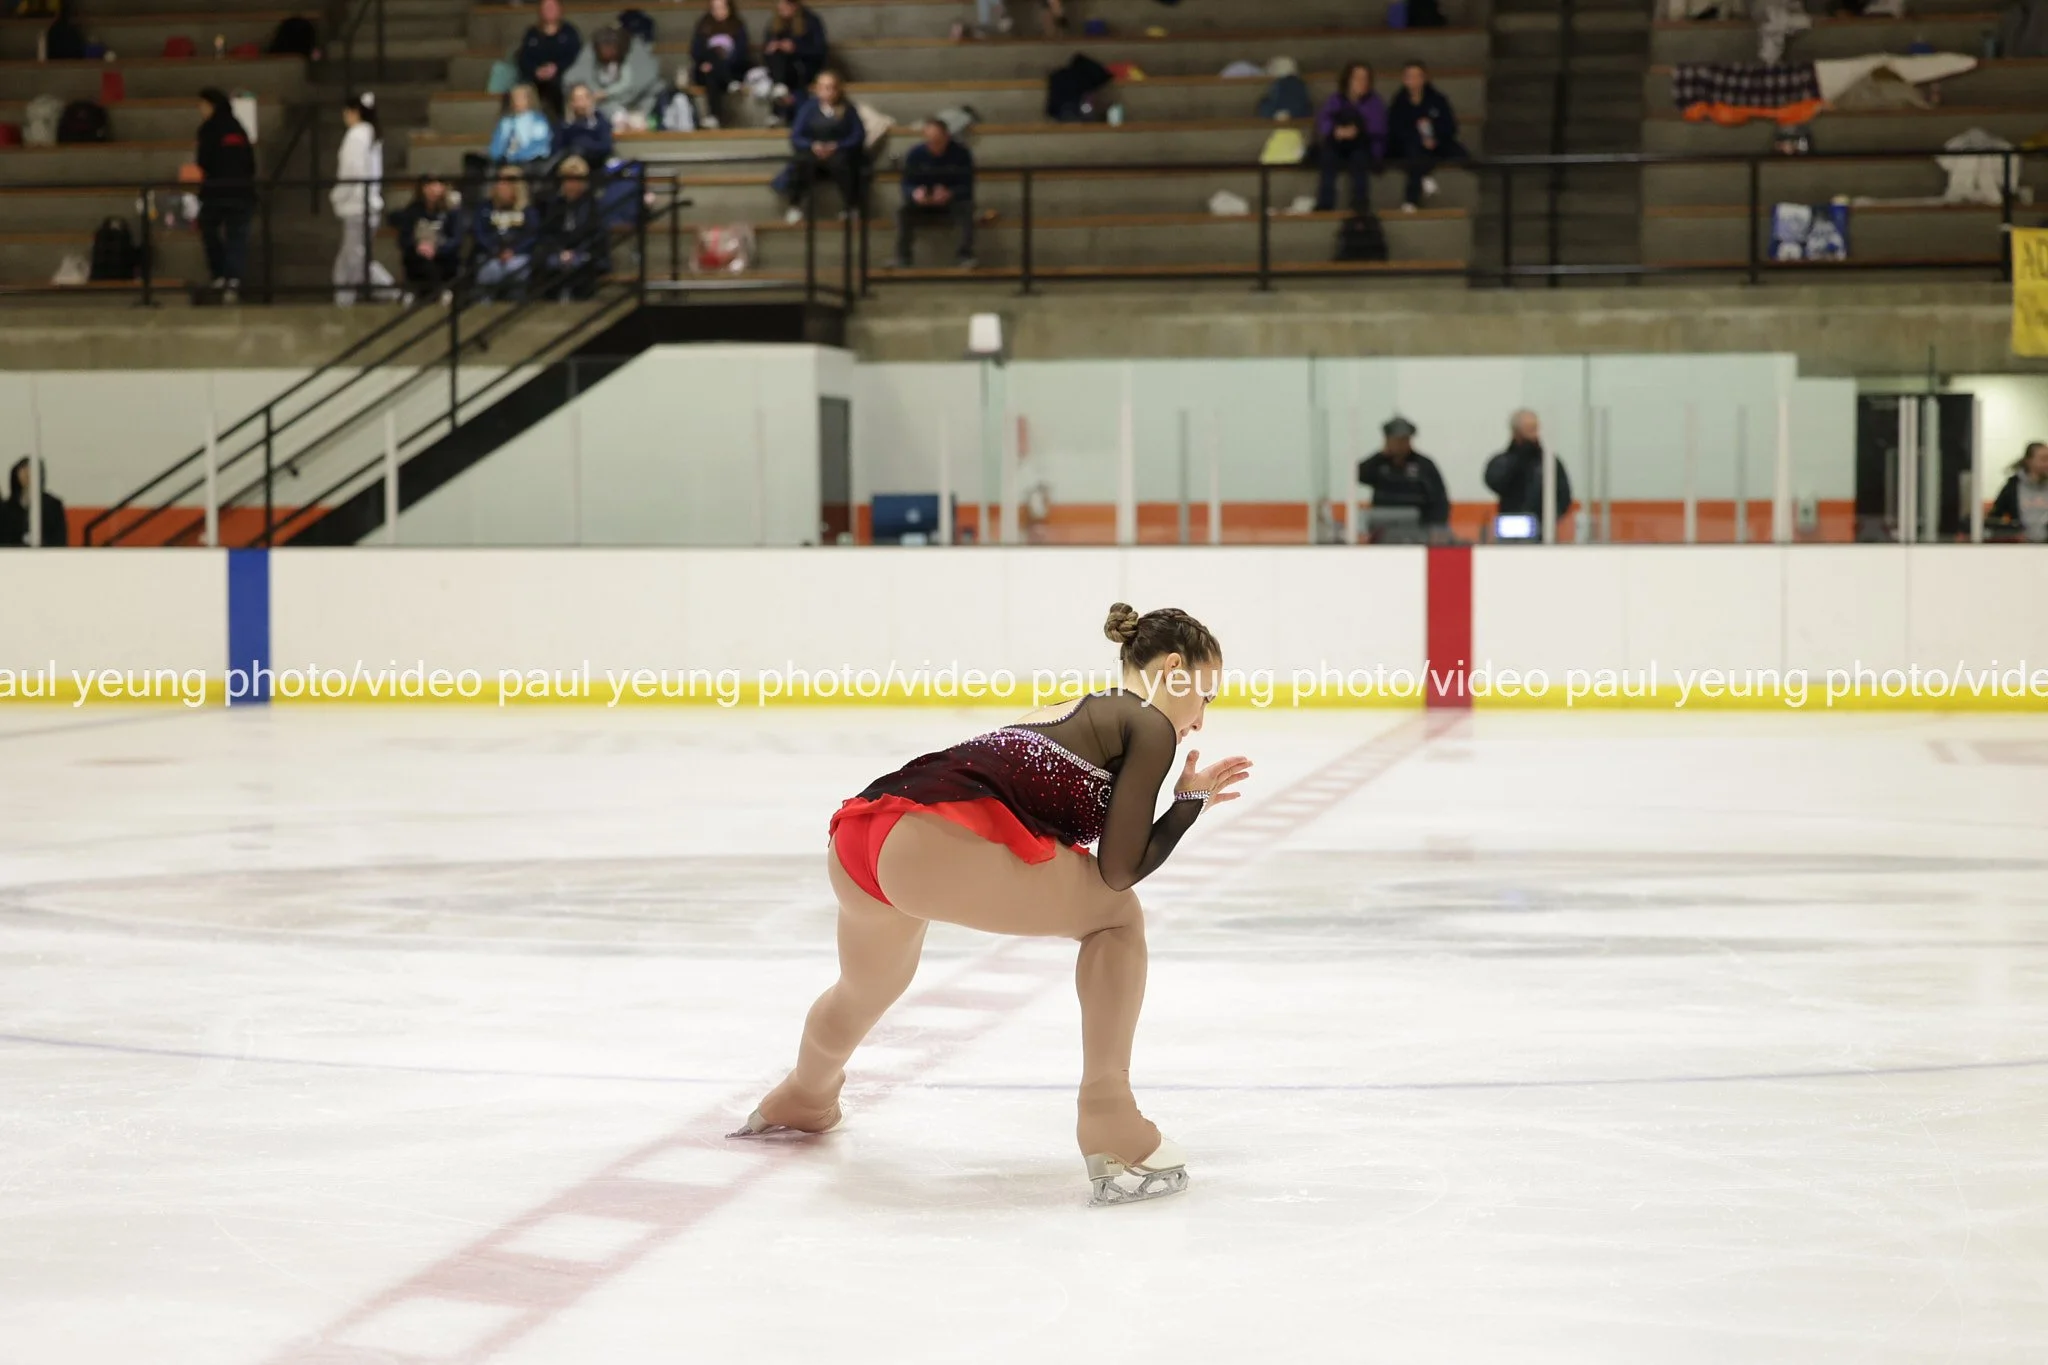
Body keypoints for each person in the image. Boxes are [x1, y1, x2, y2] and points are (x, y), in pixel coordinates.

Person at [734, 603, 1253, 1208]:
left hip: (863, 833)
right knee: (1118, 917)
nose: (1200, 720)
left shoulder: (1073, 708)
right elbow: (1119, 871)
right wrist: (1186, 805)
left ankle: (805, 1093)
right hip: (930, 843)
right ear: (1173, 669)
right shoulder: (1148, 722)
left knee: (865, 988)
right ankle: (1111, 1120)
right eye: (1205, 696)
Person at [330, 92, 396, 305]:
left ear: (354, 112)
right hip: (365, 205)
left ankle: (395, 294)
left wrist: (337, 196)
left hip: (357, 207)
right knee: (347, 261)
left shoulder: (357, 135)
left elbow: (351, 173)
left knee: (357, 262)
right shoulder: (372, 135)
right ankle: (342, 303)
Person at [194, 87, 256, 303]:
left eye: (202, 105)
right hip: (242, 192)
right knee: (237, 237)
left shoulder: (208, 129)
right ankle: (233, 280)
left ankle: (220, 275)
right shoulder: (238, 128)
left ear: (211, 105)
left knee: (210, 231)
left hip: (216, 191)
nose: (200, 110)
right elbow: (250, 162)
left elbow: (203, 161)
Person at [894, 116, 975, 269]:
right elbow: (906, 183)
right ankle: (903, 256)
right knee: (903, 211)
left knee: (967, 208)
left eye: (938, 140)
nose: (935, 145)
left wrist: (950, 193)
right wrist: (915, 193)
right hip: (923, 203)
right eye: (930, 141)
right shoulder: (915, 154)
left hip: (950, 202)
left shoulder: (961, 153)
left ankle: (965, 255)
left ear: (946, 136)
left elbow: (967, 186)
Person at [784, 69, 864, 221]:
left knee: (845, 165)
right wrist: (812, 145)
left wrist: (838, 146)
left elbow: (857, 136)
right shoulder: (808, 108)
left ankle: (851, 206)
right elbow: (796, 136)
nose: (826, 91)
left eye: (830, 87)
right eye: (822, 87)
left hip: (839, 153)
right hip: (813, 152)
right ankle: (795, 206)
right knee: (800, 163)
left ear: (838, 89)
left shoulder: (848, 109)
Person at [1386, 61, 1465, 213]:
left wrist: (1435, 138)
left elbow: (1450, 126)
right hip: (1408, 146)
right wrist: (1418, 138)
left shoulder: (1437, 99)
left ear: (1425, 78)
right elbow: (1395, 130)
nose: (1414, 80)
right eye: (1410, 76)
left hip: (1436, 143)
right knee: (1415, 152)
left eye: (1418, 76)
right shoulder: (1399, 103)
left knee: (1459, 153)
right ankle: (1411, 198)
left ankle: (1425, 175)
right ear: (1404, 79)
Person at [1484, 409, 1574, 534]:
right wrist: (1518, 459)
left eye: (1534, 428)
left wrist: (1550, 518)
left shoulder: (1549, 463)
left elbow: (1564, 495)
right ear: (1516, 432)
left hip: (1542, 528)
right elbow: (1494, 481)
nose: (1533, 435)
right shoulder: (1503, 462)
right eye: (1528, 429)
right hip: (1510, 526)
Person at [1313, 62, 1387, 214]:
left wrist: (1358, 130)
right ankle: (1325, 204)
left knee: (1359, 159)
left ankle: (1360, 205)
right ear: (1348, 80)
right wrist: (1336, 131)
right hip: (1338, 144)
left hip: (1363, 145)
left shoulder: (1374, 102)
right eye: (1357, 78)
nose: (1361, 82)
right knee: (1328, 158)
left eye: (1365, 78)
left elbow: (1378, 128)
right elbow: (1324, 121)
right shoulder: (1336, 100)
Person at [1356, 416, 1450, 532]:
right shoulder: (1378, 464)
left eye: (1405, 439)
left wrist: (1436, 527)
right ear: (1387, 440)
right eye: (1396, 440)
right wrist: (1380, 456)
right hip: (1383, 527)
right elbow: (1358, 475)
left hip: (1419, 527)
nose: (1400, 444)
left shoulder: (1424, 465)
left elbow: (1440, 499)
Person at [535, 156, 609, 300]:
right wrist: (560, 251)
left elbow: (595, 235)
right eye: (568, 179)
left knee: (581, 264)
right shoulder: (554, 204)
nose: (572, 184)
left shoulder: (592, 205)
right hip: (558, 251)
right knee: (548, 263)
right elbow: (548, 233)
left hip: (585, 251)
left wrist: (576, 252)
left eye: (577, 179)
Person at [563, 24, 661, 127]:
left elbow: (640, 83)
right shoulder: (590, 53)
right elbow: (570, 79)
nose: (607, 52)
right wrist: (591, 94)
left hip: (637, 102)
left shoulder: (636, 52)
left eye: (611, 48)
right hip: (606, 106)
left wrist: (608, 93)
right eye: (604, 48)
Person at [389, 173, 463, 301]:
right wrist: (418, 246)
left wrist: (437, 248)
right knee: (419, 261)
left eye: (437, 185)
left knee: (443, 262)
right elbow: (403, 239)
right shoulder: (413, 211)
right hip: (418, 256)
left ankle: (437, 292)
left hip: (443, 255)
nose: (433, 189)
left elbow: (456, 239)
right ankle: (434, 292)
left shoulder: (451, 212)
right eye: (428, 185)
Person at [471, 166, 537, 300]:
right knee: (490, 269)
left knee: (518, 268)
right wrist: (495, 250)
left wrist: (514, 251)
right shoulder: (485, 208)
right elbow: (479, 233)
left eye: (507, 182)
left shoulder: (527, 211)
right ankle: (484, 307)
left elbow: (532, 235)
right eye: (499, 181)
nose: (501, 186)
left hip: (518, 255)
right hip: (491, 255)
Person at [761, 0, 828, 122]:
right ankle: (780, 87)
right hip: (781, 69)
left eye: (786, 5)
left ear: (795, 5)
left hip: (804, 66)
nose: (782, 9)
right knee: (777, 55)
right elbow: (766, 53)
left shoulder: (811, 21)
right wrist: (771, 48)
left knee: (791, 82)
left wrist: (795, 48)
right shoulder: (774, 25)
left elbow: (819, 51)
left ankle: (778, 110)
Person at [516, 0, 581, 120]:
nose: (549, 11)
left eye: (552, 7)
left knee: (558, 86)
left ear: (560, 10)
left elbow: (575, 56)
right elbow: (523, 58)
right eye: (546, 8)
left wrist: (556, 67)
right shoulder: (532, 33)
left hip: (561, 77)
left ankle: (560, 122)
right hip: (535, 78)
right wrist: (536, 71)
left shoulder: (569, 32)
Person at [692, 0, 750, 128]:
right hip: (706, 70)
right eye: (715, 8)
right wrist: (703, 64)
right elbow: (696, 51)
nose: (718, 11)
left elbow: (741, 53)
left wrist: (722, 65)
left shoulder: (737, 26)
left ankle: (714, 116)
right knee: (712, 60)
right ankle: (729, 82)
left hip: (732, 69)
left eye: (722, 8)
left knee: (713, 71)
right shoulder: (703, 26)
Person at [1987, 441, 2048, 542]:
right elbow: (1995, 518)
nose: (2047, 464)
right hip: (2020, 545)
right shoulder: (2013, 487)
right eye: (2043, 459)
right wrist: (2012, 533)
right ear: (2029, 461)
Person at [4, 459, 68, 548]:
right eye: (23, 469)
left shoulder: (53, 505)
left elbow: (59, 539)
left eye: (31, 469)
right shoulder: (7, 507)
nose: (27, 473)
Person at [489, 83, 555, 167]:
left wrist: (517, 157)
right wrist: (498, 157)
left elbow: (539, 144)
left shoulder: (538, 121)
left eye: (521, 98)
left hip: (531, 161)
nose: (517, 101)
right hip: (505, 162)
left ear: (530, 99)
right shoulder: (506, 121)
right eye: (514, 97)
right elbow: (497, 143)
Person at [556, 83, 615, 165]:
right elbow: (557, 149)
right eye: (577, 99)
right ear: (571, 103)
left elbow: (606, 147)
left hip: (595, 163)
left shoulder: (600, 121)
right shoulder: (565, 125)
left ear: (591, 100)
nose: (582, 103)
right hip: (569, 164)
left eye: (586, 98)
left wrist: (583, 145)